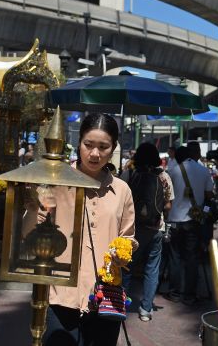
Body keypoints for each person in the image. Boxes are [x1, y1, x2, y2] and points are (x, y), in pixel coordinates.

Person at [40, 113, 137, 346]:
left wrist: (123, 250)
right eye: (89, 145)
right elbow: (34, 229)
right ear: (79, 143)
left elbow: (129, 236)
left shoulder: (122, 190)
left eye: (103, 147)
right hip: (61, 293)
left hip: (105, 297)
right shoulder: (56, 181)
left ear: (113, 147)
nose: (95, 154)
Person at [121, 143, 173, 322]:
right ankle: (145, 309)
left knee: (126, 267)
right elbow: (168, 204)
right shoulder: (164, 176)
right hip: (156, 229)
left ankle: (120, 306)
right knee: (152, 269)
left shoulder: (129, 174)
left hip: (132, 229)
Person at [165, 145, 214, 305]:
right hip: (195, 221)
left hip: (175, 222)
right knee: (192, 257)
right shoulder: (203, 171)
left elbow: (166, 199)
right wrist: (205, 212)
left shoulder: (172, 172)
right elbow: (209, 197)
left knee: (175, 257)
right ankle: (190, 294)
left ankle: (175, 292)